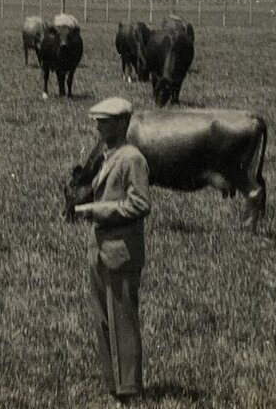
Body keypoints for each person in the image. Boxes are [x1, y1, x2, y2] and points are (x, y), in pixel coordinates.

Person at [73, 97, 152, 404]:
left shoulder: (132, 158)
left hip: (121, 252)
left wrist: (96, 209)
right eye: (97, 121)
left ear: (122, 123)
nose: (99, 126)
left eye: (105, 121)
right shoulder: (110, 155)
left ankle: (129, 390)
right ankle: (114, 387)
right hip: (101, 249)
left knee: (122, 322)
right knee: (103, 320)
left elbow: (141, 203)